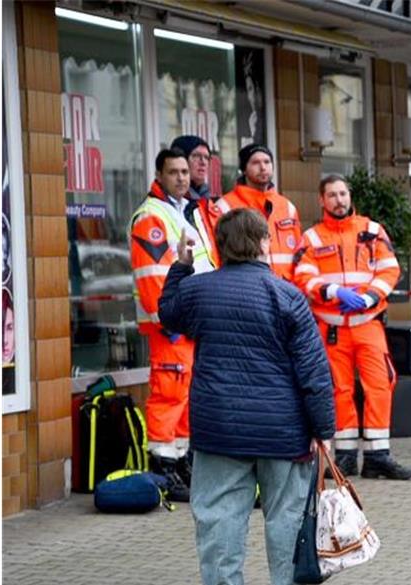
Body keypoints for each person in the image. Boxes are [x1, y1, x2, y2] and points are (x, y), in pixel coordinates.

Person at [158, 207, 336, 585]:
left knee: (219, 514)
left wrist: (181, 266)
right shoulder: (287, 295)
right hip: (283, 431)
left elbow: (167, 313)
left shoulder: (200, 291)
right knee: (287, 515)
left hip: (219, 428)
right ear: (262, 244)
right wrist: (323, 430)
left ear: (220, 247)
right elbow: (313, 371)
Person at [293, 174, 411, 480]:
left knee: (380, 384)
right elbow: (303, 276)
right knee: (339, 389)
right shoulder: (313, 238)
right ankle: (344, 456)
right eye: (332, 195)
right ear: (322, 200)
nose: (339, 200)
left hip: (367, 321)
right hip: (332, 327)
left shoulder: (371, 230)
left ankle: (377, 455)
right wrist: (335, 293)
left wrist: (367, 298)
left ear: (350, 196)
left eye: (343, 193)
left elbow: (390, 269)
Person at [129, 147, 215, 501]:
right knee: (168, 395)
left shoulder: (185, 212)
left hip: (190, 321)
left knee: (184, 397)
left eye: (184, 171)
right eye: (174, 172)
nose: (182, 177)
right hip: (171, 325)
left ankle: (181, 464)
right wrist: (169, 319)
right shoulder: (151, 216)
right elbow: (151, 277)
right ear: (159, 176)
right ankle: (164, 469)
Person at [215, 144, 301, 281]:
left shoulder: (287, 207)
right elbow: (217, 255)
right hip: (246, 288)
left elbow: (299, 255)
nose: (263, 167)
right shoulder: (224, 207)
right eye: (255, 162)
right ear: (243, 169)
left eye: (267, 162)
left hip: (285, 289)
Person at [171, 134, 222, 272]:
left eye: (206, 158)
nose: (203, 162)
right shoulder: (172, 203)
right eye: (196, 156)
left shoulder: (209, 202)